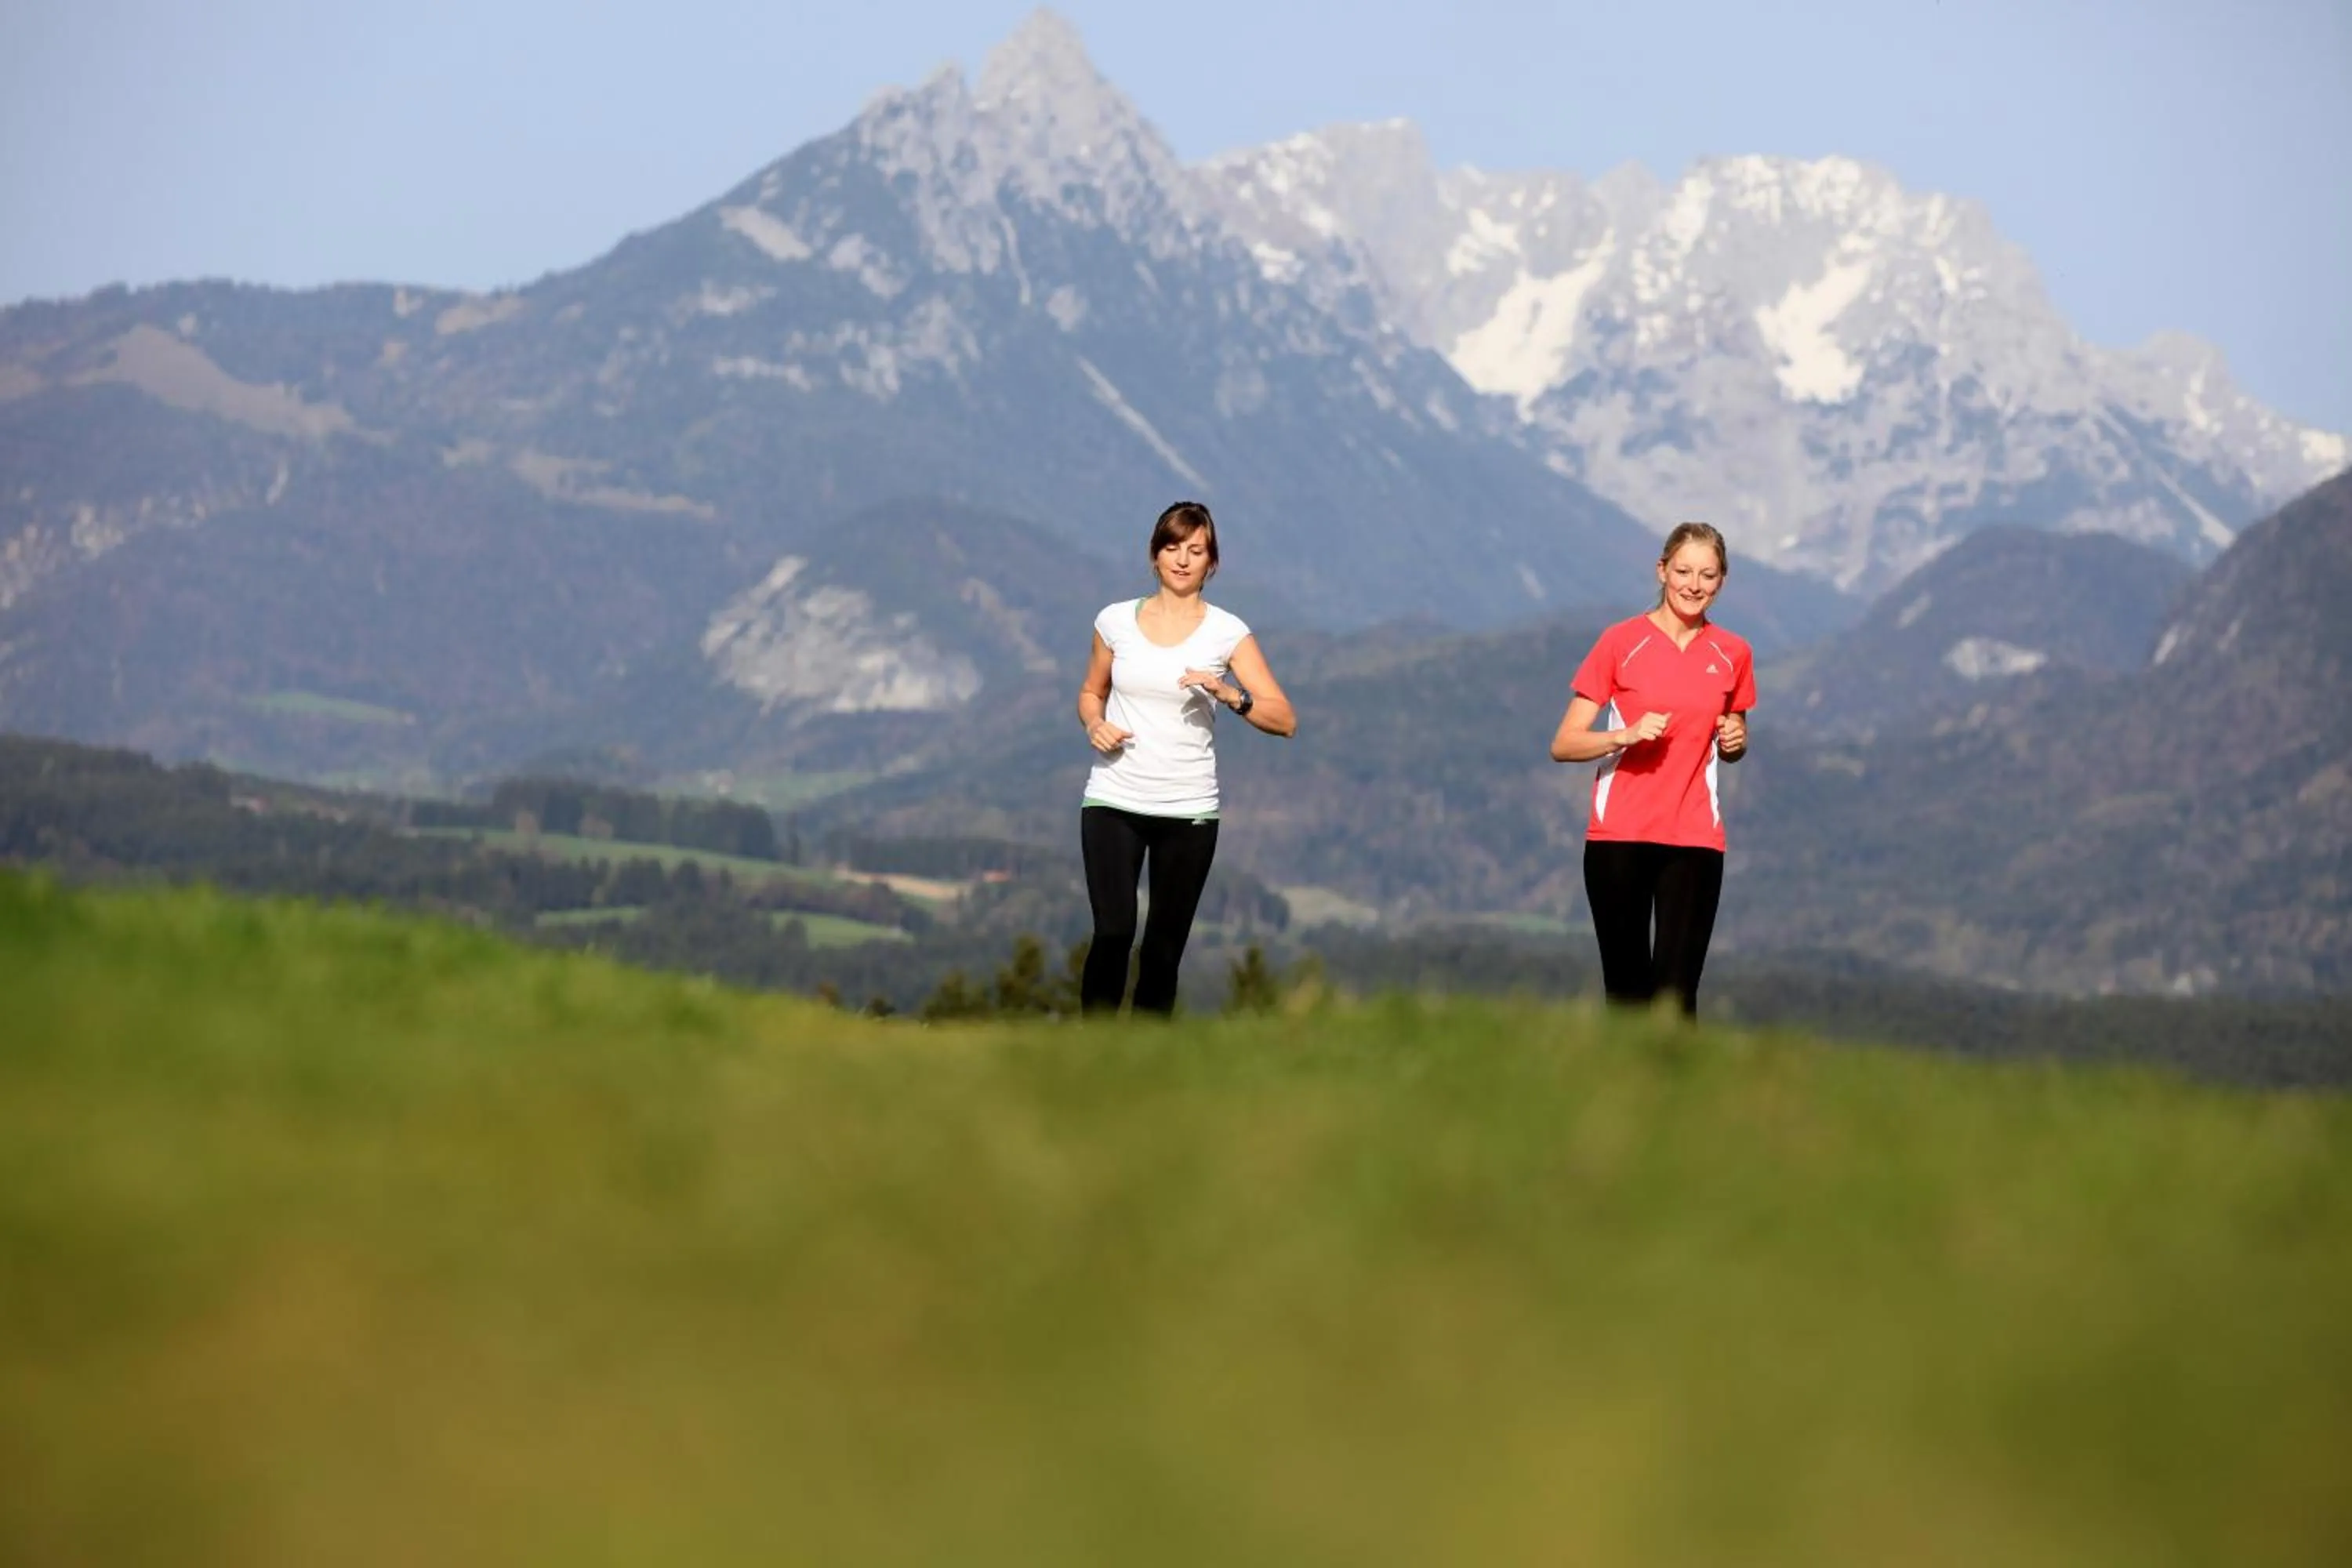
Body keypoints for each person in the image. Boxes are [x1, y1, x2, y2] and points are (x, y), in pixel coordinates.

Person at [1076, 501, 1296, 1015]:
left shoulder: (1228, 633)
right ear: (1154, 556)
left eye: (1195, 550)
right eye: (1172, 547)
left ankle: (1147, 1072)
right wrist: (1095, 723)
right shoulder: (1114, 621)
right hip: (1114, 799)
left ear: (1211, 563)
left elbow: (1284, 719)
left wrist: (1229, 693)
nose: (1182, 559)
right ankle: (1088, 1057)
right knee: (1112, 932)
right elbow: (1091, 691)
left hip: (1188, 811)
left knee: (1162, 952)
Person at [1548, 521, 1755, 1017]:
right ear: (1662, 571)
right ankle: (1621, 1095)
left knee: (1677, 1001)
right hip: (1620, 838)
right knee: (1627, 995)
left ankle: (1677, 1096)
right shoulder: (1622, 642)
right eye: (1683, 571)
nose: (1694, 584)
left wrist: (1736, 741)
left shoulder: (1733, 654)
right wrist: (1624, 734)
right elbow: (1564, 743)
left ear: (1722, 581)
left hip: (1695, 841)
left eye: (1708, 575)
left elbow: (1732, 738)